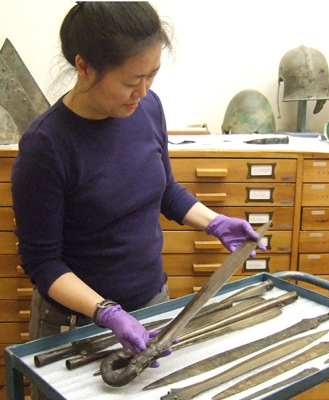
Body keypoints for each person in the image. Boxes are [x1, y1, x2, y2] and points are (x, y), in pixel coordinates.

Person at [11, 2, 265, 398]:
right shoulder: (46, 145)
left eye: (152, 75)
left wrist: (214, 222)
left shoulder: (147, 109)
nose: (143, 91)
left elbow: (164, 189)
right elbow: (42, 262)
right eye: (132, 80)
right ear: (85, 68)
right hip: (75, 326)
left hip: (150, 304)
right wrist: (106, 312)